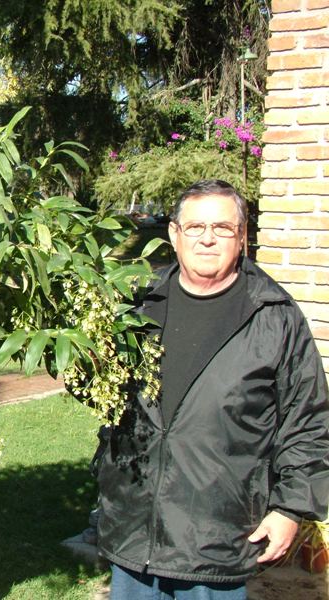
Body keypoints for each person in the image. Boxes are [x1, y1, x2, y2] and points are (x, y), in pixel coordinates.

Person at [96, 179, 329, 600]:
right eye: (195, 227)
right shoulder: (137, 305)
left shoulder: (273, 316)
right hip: (134, 531)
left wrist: (291, 507)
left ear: (241, 237)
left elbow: (307, 419)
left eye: (222, 228)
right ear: (173, 234)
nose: (207, 238)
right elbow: (98, 391)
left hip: (215, 537)